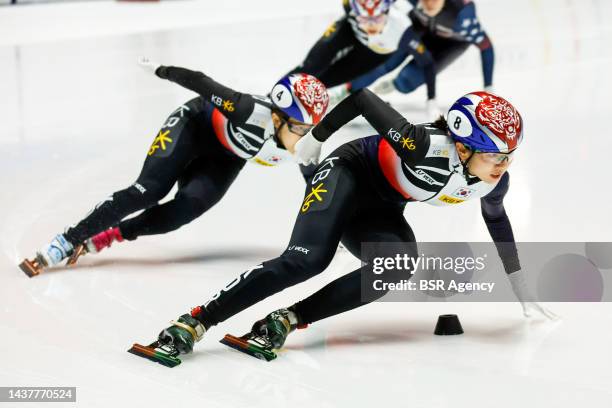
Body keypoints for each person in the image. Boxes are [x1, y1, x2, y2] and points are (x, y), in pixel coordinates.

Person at [146, 89, 555, 360]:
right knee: (306, 260)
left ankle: (286, 320)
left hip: (382, 206)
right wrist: (316, 138)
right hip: (347, 172)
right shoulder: (423, 145)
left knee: (396, 265)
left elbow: (498, 225)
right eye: (496, 156)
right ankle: (197, 319)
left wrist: (518, 284)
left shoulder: (491, 183)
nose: (504, 166)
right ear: (463, 146)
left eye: (510, 156)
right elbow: (361, 98)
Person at [18, 59, 329, 277]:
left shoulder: (305, 145)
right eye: (301, 128)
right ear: (276, 118)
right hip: (193, 127)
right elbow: (200, 82)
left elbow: (318, 194)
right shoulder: (247, 110)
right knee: (148, 191)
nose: (306, 136)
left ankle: (107, 237)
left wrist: (327, 236)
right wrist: (161, 70)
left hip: (225, 157)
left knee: (186, 210)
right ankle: (66, 240)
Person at [331, 0, 495, 118]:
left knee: (407, 80)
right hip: (420, 27)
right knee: (386, 61)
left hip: (449, 44)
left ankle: (394, 85)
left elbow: (486, 48)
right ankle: (347, 89)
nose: (429, 4)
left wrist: (489, 88)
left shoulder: (464, 18)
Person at [287, 0, 437, 102]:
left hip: (374, 54)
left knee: (325, 81)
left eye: (376, 19)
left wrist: (431, 99)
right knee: (310, 66)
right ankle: (276, 95)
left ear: (387, 13)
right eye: (365, 19)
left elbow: (428, 62)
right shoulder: (350, 5)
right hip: (350, 31)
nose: (370, 26)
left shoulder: (402, 31)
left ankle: (296, 100)